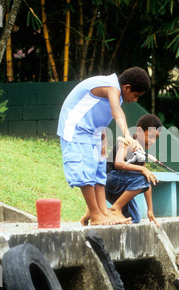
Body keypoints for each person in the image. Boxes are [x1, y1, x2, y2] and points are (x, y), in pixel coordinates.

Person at [57, 67, 150, 225]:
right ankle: (95, 214)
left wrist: (103, 138)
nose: (135, 100)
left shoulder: (117, 93)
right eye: (136, 95)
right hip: (76, 129)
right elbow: (115, 110)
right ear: (127, 87)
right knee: (85, 170)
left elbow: (98, 114)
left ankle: (104, 213)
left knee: (99, 172)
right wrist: (127, 134)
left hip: (93, 133)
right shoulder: (111, 86)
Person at [106, 114, 162, 227]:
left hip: (119, 189)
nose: (152, 141)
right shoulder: (126, 142)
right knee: (142, 175)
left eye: (155, 139)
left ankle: (105, 213)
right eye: (150, 136)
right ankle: (115, 209)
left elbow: (146, 180)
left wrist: (150, 210)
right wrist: (142, 169)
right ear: (139, 131)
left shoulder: (142, 153)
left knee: (134, 218)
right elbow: (118, 164)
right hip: (107, 181)